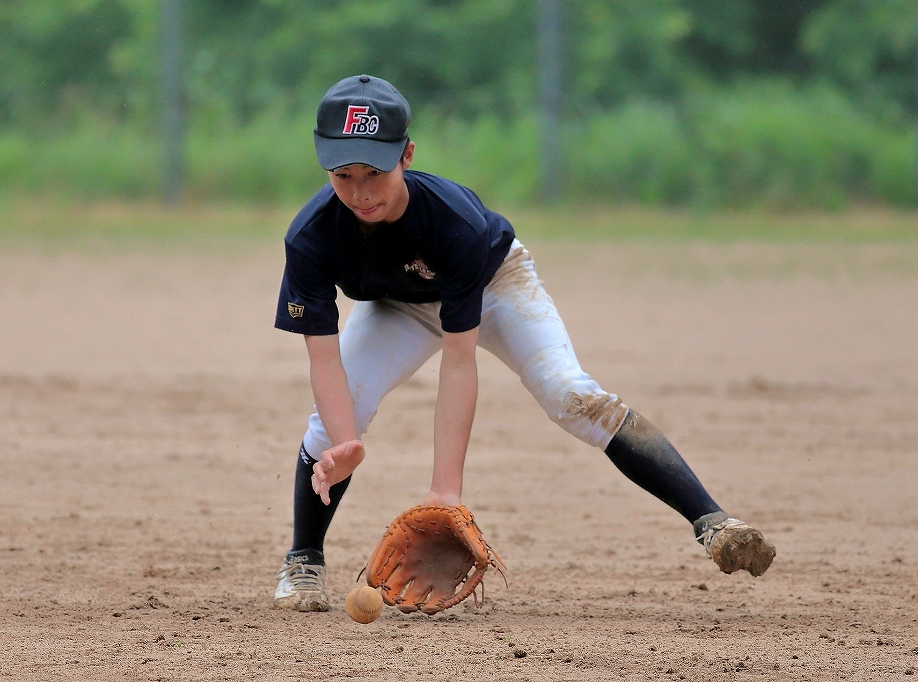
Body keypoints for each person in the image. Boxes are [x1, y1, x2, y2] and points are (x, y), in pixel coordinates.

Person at [272, 75, 775, 612]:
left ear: (408, 155)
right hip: (394, 306)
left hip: (492, 287)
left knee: (570, 394)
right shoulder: (311, 236)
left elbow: (459, 363)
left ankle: (713, 521)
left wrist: (445, 493)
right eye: (343, 174)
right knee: (330, 423)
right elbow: (322, 355)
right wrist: (346, 443)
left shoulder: (454, 222)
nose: (360, 190)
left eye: (375, 171)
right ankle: (303, 561)